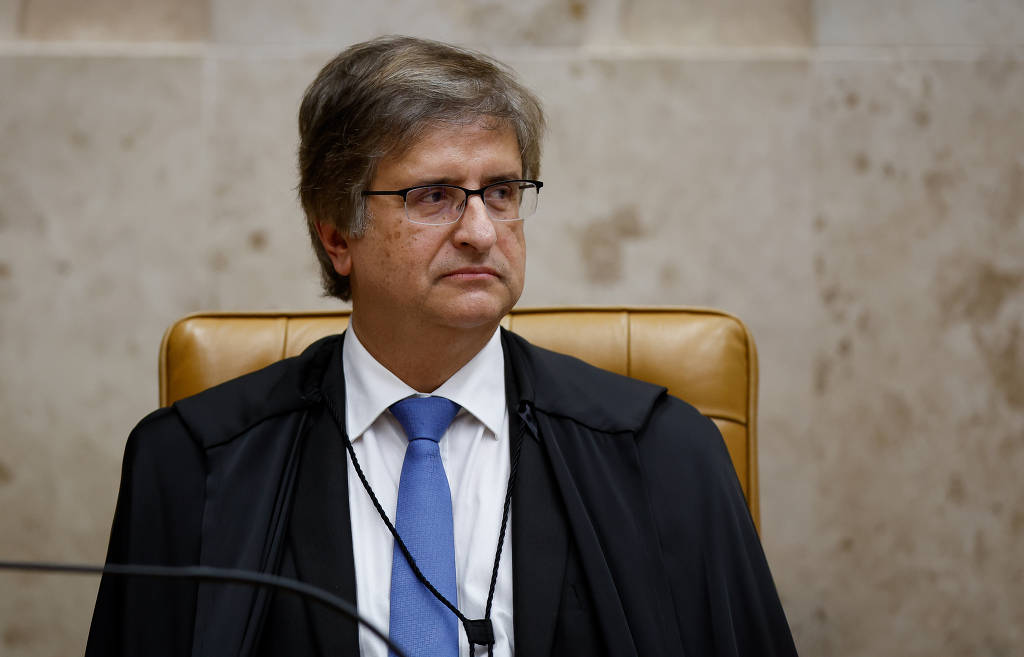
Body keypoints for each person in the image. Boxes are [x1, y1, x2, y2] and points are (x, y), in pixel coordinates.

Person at [86, 35, 798, 657]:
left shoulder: (661, 451)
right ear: (337, 235)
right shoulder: (191, 463)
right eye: (434, 195)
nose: (482, 232)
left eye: (502, 191)